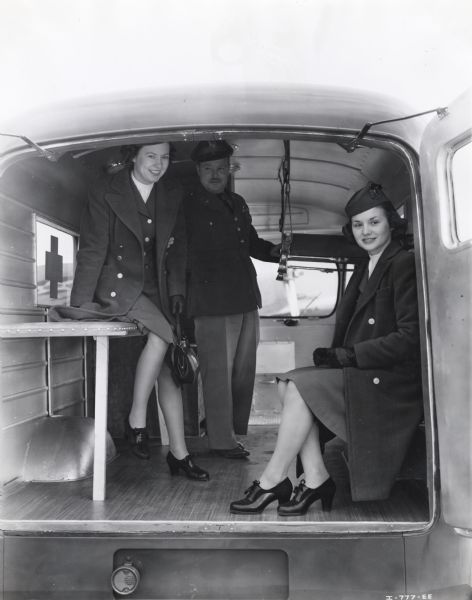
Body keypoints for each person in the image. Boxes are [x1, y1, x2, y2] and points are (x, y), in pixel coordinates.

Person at [230, 182, 423, 515]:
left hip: (392, 381)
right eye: (359, 225)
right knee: (288, 383)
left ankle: (273, 479)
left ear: (391, 222)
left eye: (374, 222)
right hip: (366, 370)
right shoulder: (367, 265)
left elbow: (409, 338)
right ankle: (316, 477)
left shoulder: (402, 264)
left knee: (301, 387)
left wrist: (348, 356)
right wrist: (338, 357)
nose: (367, 231)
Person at [63, 142, 209, 481]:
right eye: (151, 157)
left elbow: (179, 250)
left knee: (169, 372)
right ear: (134, 157)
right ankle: (137, 419)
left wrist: (176, 291)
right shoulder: (107, 190)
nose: (159, 165)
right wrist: (81, 303)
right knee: (161, 340)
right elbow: (93, 247)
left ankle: (179, 453)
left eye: (165, 157)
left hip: (156, 288)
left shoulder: (171, 193)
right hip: (118, 286)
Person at [184, 140, 280, 458]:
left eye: (221, 169)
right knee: (217, 374)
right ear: (198, 171)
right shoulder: (188, 205)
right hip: (211, 302)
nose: (215, 175)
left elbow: (249, 242)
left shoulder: (237, 203)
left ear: (229, 170)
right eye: (208, 169)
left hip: (245, 297)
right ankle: (221, 441)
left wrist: (274, 252)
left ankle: (233, 433)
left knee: (242, 371)